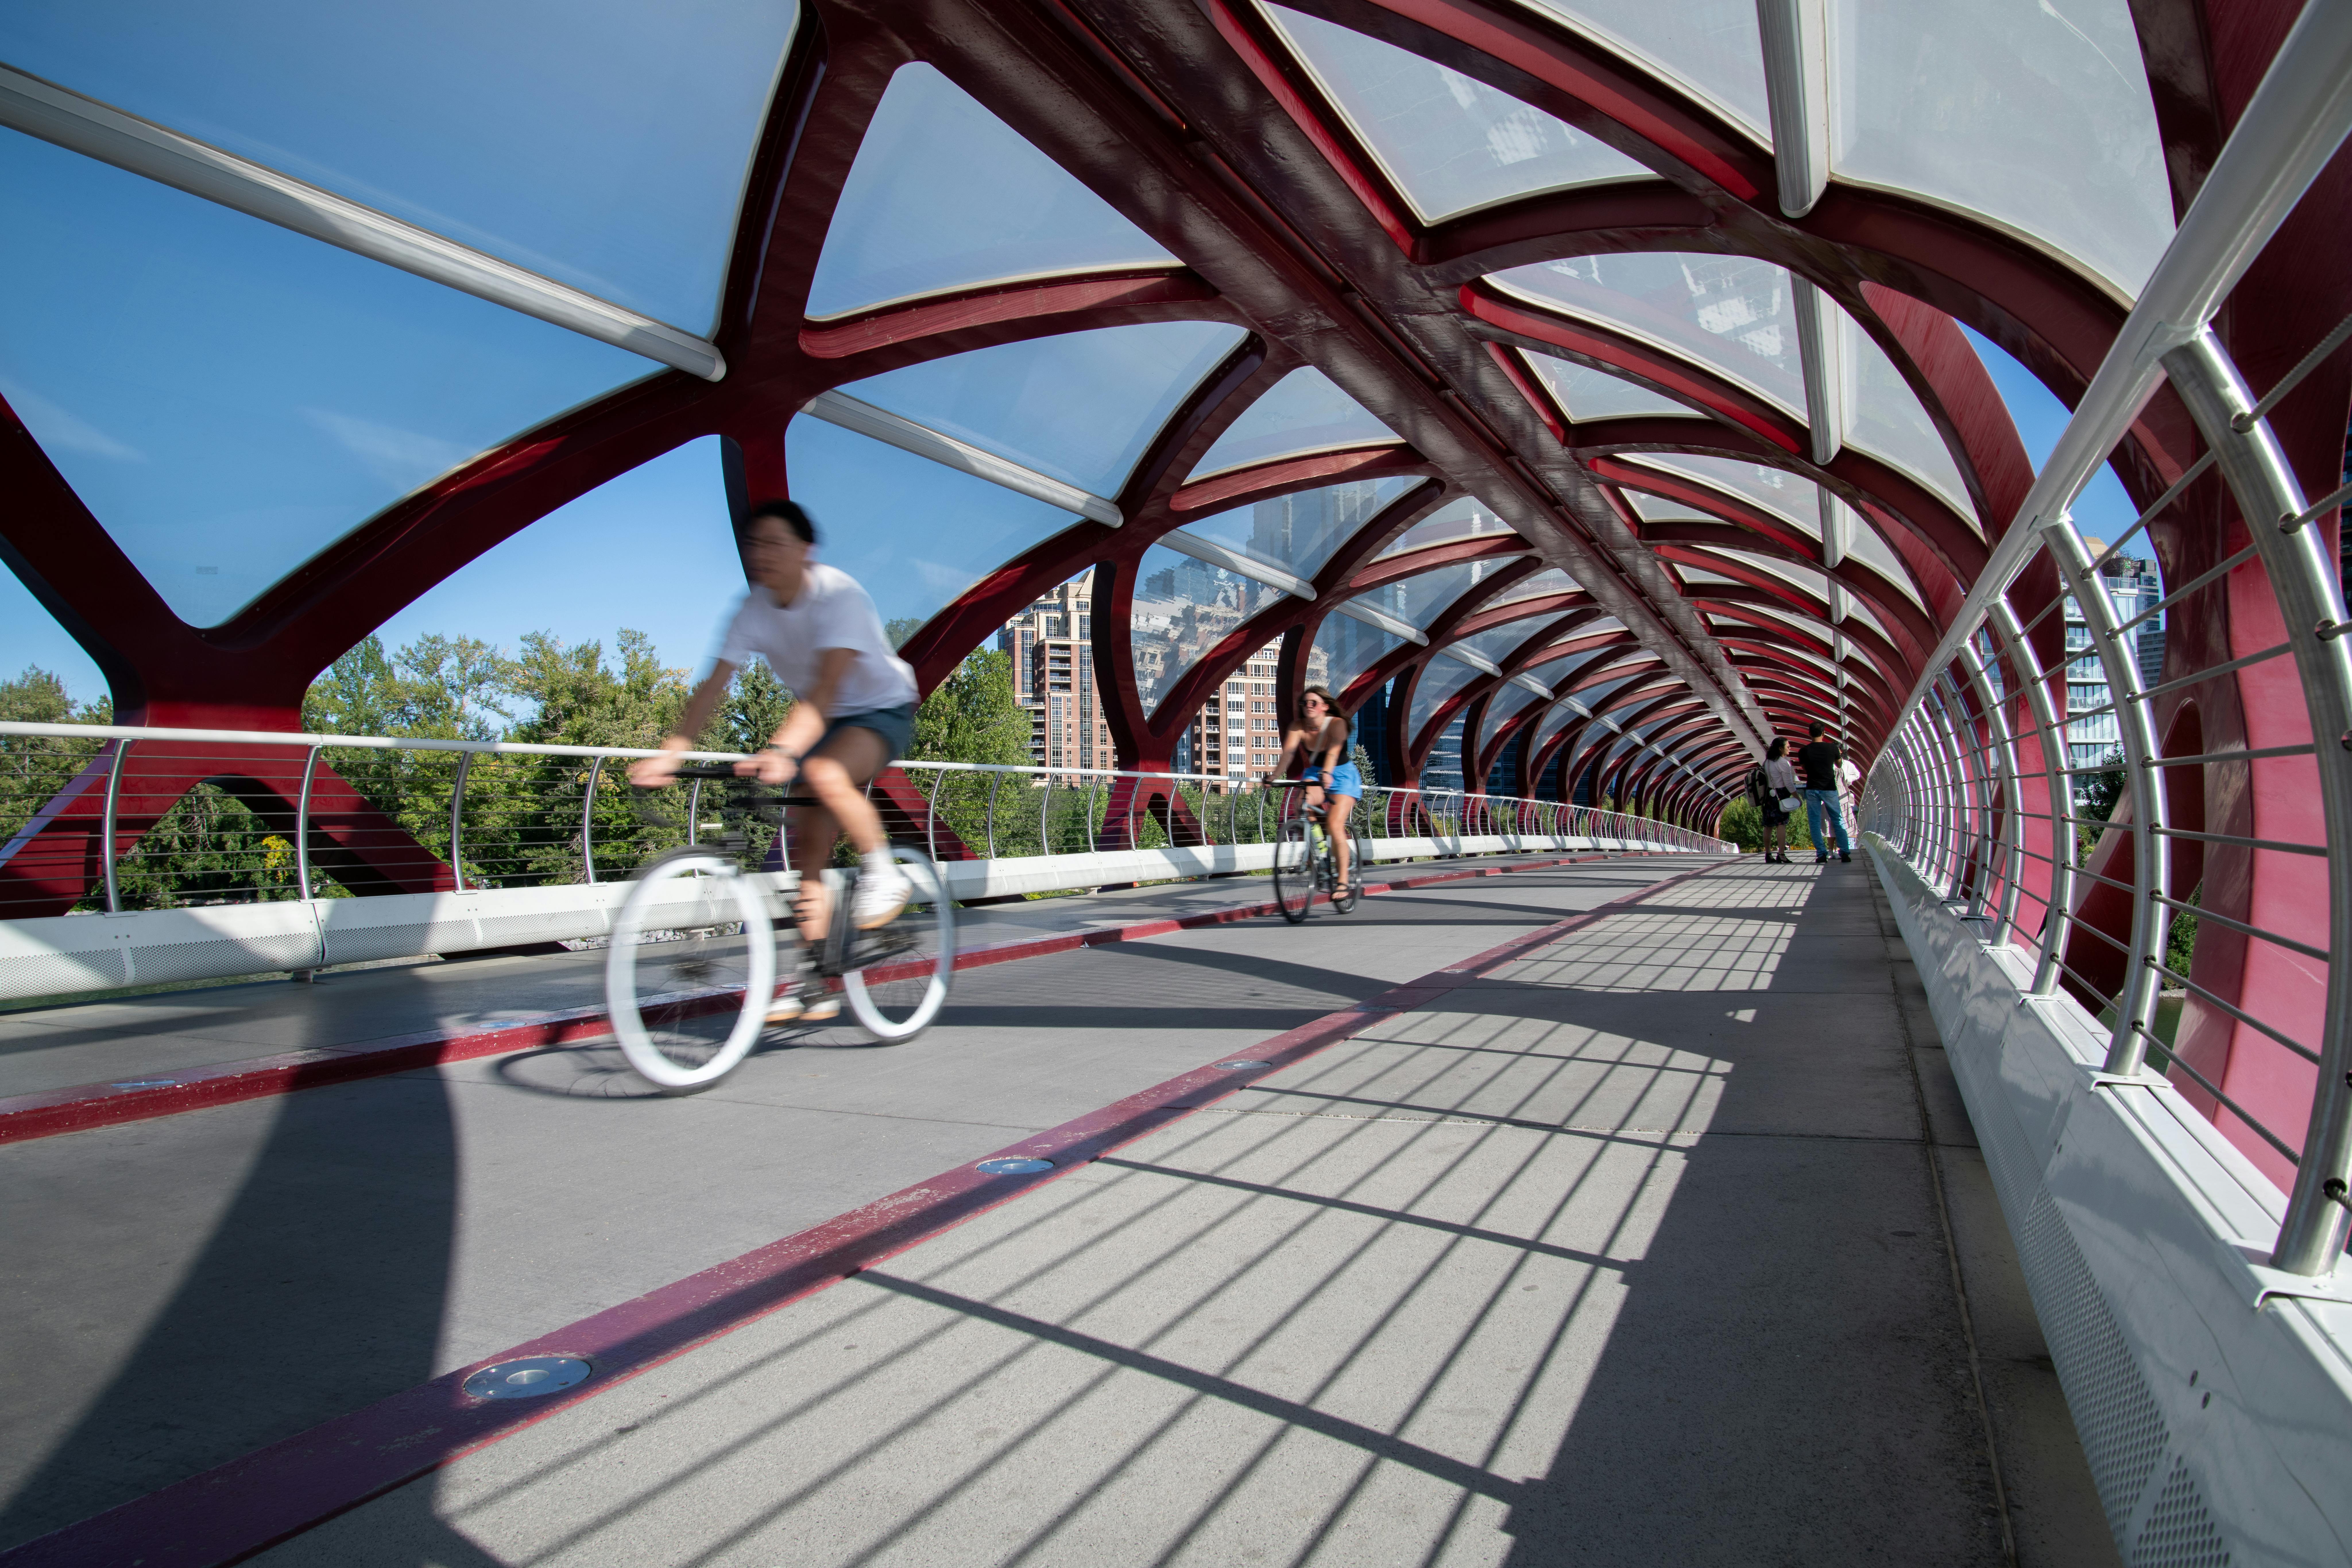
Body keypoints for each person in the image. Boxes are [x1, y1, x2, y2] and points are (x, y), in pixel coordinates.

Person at [629, 499, 920, 1022]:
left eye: (774, 543)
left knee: (826, 772)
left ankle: (885, 873)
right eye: (753, 543)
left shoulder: (838, 595)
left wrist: (783, 750)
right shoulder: (753, 608)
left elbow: (826, 691)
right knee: (807, 850)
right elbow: (713, 685)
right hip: (824, 721)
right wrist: (673, 750)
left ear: (805, 550)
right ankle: (815, 981)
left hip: (880, 709)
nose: (761, 554)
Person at [1268, 685, 1359, 897]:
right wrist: (1273, 776)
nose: (1308, 706)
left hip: (1343, 776)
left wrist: (1327, 773)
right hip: (1315, 773)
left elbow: (1334, 752)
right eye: (1304, 703)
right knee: (1303, 804)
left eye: (1313, 703)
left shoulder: (1338, 724)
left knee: (1336, 825)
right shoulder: (1298, 727)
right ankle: (1321, 852)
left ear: (1325, 707)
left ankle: (1343, 882)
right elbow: (1288, 754)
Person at [1795, 720, 1853, 864]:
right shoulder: (1832, 749)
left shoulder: (1804, 751)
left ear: (1809, 733)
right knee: (1838, 819)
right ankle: (1844, 852)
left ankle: (1821, 854)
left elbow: (1805, 768)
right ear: (1824, 733)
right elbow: (1839, 764)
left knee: (1815, 822)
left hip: (1813, 788)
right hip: (1830, 788)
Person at [1751, 738, 1801, 864]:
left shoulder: (1767, 762)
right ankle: (1782, 854)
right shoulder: (1783, 763)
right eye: (1788, 746)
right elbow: (1789, 784)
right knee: (1781, 824)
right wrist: (1797, 797)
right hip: (1781, 795)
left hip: (1769, 796)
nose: (1790, 748)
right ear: (1781, 749)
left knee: (1768, 825)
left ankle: (1768, 854)